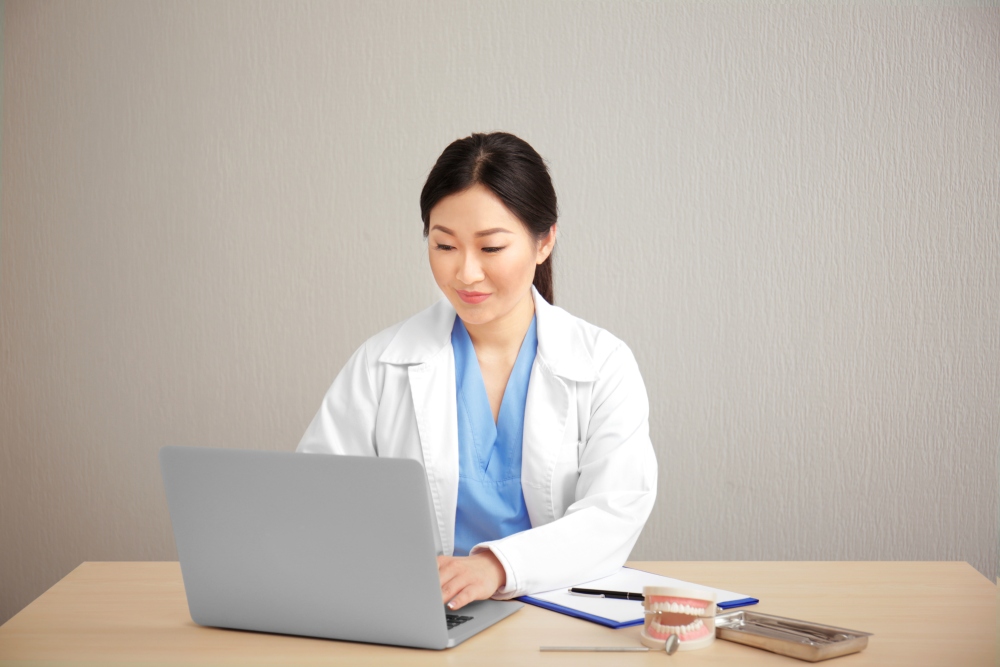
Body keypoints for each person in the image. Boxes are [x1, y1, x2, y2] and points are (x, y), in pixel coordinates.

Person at [297, 132, 657, 611]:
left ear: (544, 240)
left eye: (490, 249)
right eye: (444, 246)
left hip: (555, 610)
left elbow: (615, 512)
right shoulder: (382, 363)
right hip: (423, 611)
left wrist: (495, 567)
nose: (465, 273)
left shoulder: (602, 364)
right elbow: (316, 497)